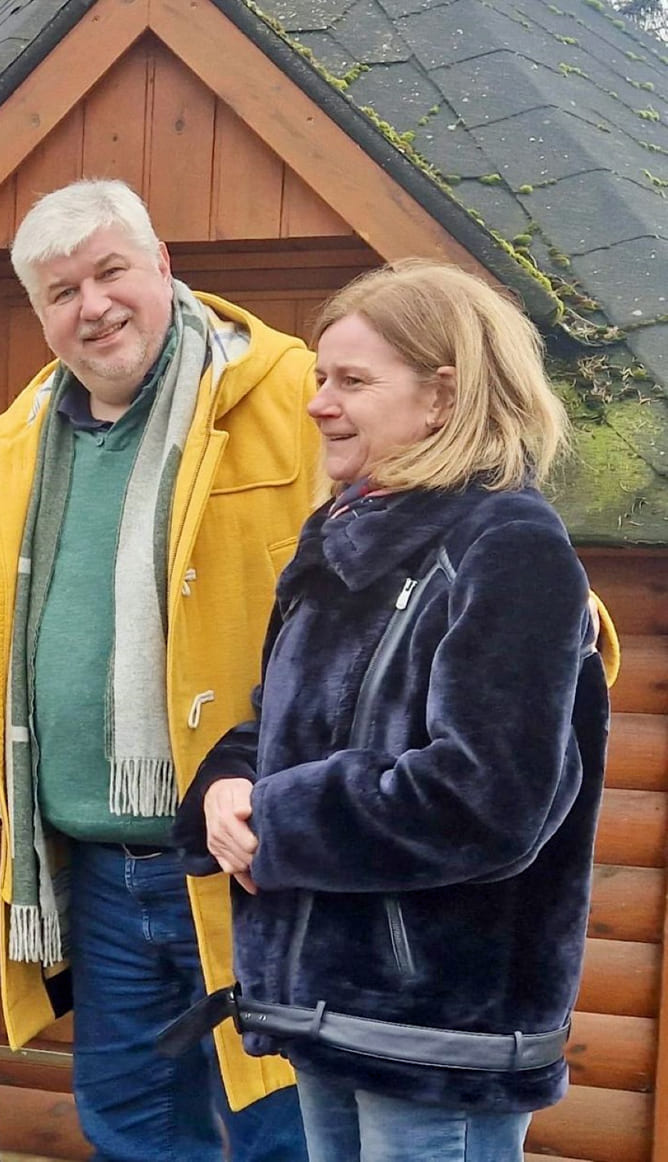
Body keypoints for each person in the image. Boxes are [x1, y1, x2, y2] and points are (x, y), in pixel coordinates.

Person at [174, 259, 617, 1162]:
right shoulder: (345, 532)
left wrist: (280, 819)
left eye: (352, 381)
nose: (317, 404)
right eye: (320, 379)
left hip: (439, 1032)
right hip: (329, 1006)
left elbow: (489, 800)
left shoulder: (511, 548)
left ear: (443, 397)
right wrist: (225, 785)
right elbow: (284, 723)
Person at [0, 178, 316, 1162]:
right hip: (102, 874)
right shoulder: (23, 441)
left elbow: (428, 513)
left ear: (161, 264)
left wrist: (552, 621)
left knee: (282, 1130)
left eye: (112, 270)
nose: (94, 306)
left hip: (255, 864)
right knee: (133, 1129)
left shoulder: (291, 394)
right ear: (40, 314)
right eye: (62, 291)